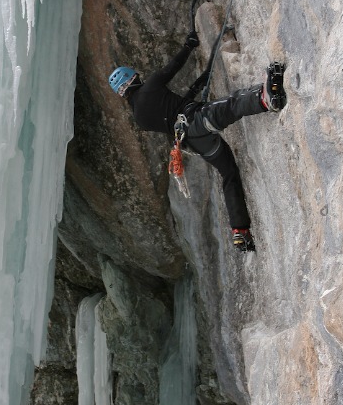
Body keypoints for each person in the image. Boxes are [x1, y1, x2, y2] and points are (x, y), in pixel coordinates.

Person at [108, 31, 286, 252]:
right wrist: (189, 45)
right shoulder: (150, 86)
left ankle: (240, 231)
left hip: (192, 141)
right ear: (132, 78)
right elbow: (173, 66)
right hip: (197, 120)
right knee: (230, 104)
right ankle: (267, 99)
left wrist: (192, 91)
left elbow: (169, 111)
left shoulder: (139, 119)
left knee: (229, 172)